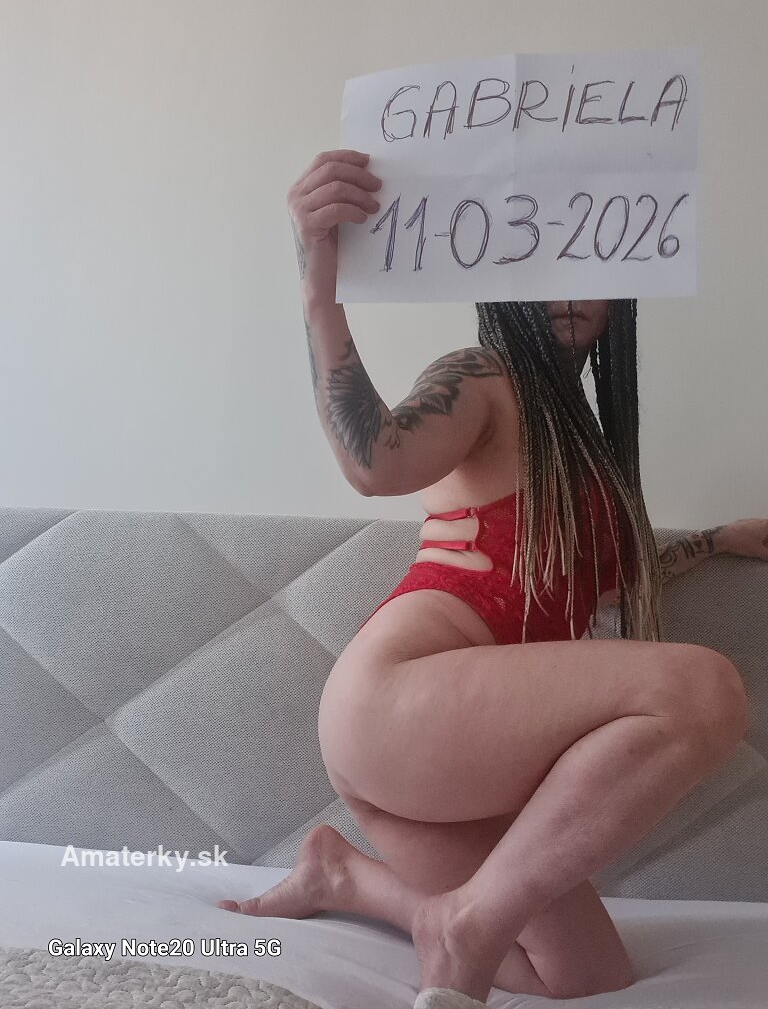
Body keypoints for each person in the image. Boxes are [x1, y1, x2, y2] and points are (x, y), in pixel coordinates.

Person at [218, 150, 766, 1007]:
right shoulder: (481, 376)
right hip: (401, 703)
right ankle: (468, 926)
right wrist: (320, 287)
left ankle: (347, 878)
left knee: (582, 977)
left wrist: (717, 540)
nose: (569, 289)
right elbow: (375, 462)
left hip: (457, 754)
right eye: (545, 262)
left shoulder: (585, 439)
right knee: (705, 689)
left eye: (591, 263)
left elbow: (601, 588)